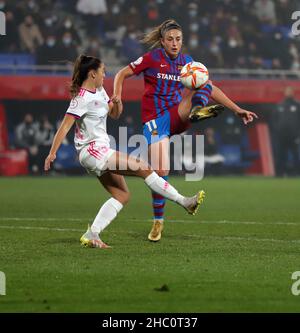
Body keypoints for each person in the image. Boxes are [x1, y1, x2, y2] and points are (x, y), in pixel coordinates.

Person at [113, 19, 258, 242]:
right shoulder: (152, 59)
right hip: (154, 122)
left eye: (178, 39)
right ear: (162, 41)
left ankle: (197, 110)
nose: (174, 43)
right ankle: (158, 222)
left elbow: (212, 87)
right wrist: (117, 95)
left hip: (177, 115)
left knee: (204, 80)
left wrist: (237, 109)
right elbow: (122, 73)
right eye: (170, 39)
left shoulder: (187, 63)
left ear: (182, 41)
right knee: (160, 171)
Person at [44, 55, 205, 249]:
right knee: (143, 168)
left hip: (100, 150)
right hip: (93, 150)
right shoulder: (81, 98)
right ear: (93, 73)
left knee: (122, 195)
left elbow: (114, 114)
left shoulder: (101, 91)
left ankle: (92, 234)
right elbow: (64, 127)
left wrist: (117, 102)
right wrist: (52, 153)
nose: (105, 74)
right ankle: (185, 202)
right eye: (103, 71)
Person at [272, 86, 300, 176]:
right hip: (281, 136)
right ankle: (280, 173)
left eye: (290, 91)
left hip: (294, 136)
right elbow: (274, 120)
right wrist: (277, 131)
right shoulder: (279, 105)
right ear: (284, 93)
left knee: (296, 155)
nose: (289, 93)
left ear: (293, 92)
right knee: (280, 155)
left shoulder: (297, 105)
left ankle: (296, 173)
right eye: (287, 91)